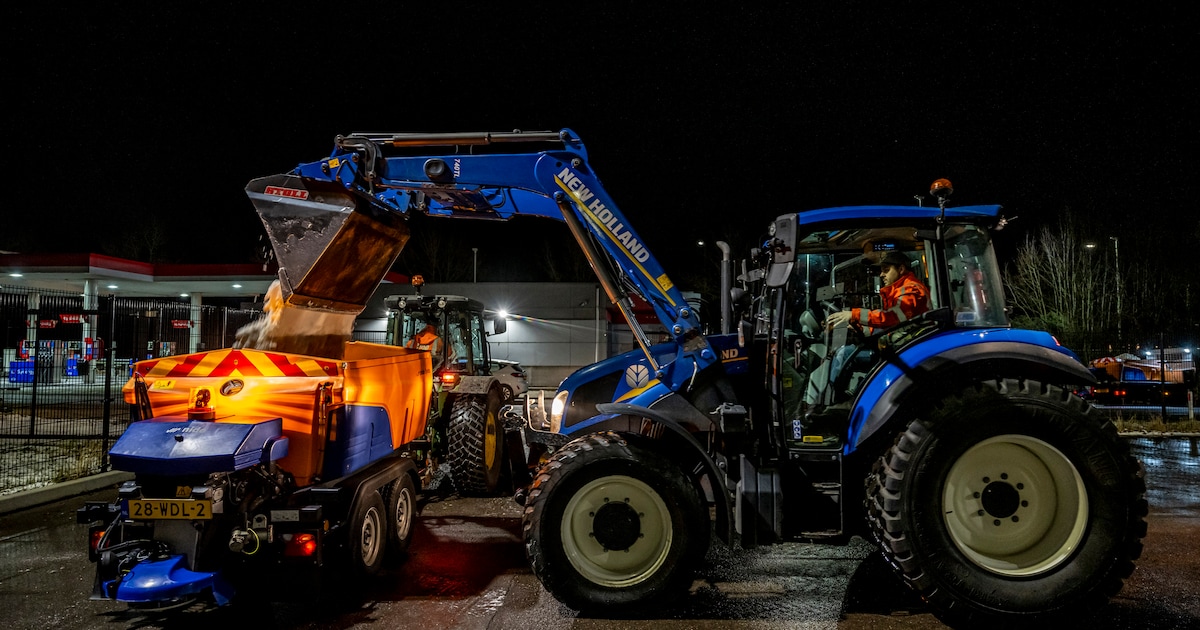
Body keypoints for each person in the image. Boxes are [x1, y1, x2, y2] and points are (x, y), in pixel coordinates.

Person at [826, 250, 931, 333]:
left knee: (845, 354)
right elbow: (888, 324)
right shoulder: (899, 290)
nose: (881, 275)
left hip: (908, 343)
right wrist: (858, 327)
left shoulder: (911, 290)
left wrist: (854, 314)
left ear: (901, 269)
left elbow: (892, 317)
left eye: (886, 270)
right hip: (901, 339)